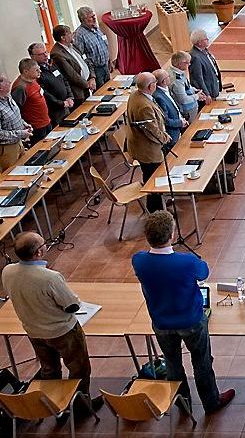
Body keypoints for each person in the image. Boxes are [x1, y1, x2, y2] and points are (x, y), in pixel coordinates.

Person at [132, 211, 235, 413]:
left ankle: (182, 402)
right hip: (191, 321)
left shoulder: (139, 261)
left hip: (161, 322)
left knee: (172, 364)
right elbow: (203, 271)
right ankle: (211, 402)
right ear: (171, 235)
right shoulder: (186, 262)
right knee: (202, 362)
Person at [1, 232, 101, 416]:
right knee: (79, 368)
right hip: (62, 332)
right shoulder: (50, 277)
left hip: (34, 331)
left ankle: (51, 406)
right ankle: (80, 406)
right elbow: (71, 305)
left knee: (49, 369)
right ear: (38, 252)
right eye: (43, 244)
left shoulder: (7, 271)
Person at [125, 72, 169, 212]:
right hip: (148, 151)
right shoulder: (144, 106)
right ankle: (156, 211)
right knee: (153, 180)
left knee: (150, 177)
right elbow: (152, 131)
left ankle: (157, 205)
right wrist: (165, 138)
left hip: (139, 146)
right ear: (151, 86)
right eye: (155, 83)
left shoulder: (135, 95)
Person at [30, 42, 76, 123]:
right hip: (55, 111)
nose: (45, 55)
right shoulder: (36, 73)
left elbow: (64, 80)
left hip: (67, 105)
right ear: (33, 57)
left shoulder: (51, 64)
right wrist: (61, 103)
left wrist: (70, 96)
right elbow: (45, 94)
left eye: (45, 52)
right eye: (41, 54)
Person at [49, 24, 94, 103]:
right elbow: (71, 74)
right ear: (63, 38)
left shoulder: (73, 45)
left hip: (89, 84)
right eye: (69, 33)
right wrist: (87, 85)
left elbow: (86, 60)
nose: (72, 34)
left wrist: (92, 78)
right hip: (79, 91)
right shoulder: (57, 53)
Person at [12, 58, 52, 145]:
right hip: (36, 127)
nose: (40, 71)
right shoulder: (20, 87)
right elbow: (16, 109)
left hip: (46, 121)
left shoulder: (33, 79)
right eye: (36, 70)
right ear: (26, 71)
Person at [73, 6, 112, 87]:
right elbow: (81, 57)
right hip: (95, 71)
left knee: (109, 88)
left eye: (94, 16)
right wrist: (92, 76)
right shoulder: (79, 35)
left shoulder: (96, 29)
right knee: (101, 93)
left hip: (105, 66)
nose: (94, 18)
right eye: (91, 17)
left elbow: (104, 46)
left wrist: (109, 61)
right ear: (83, 20)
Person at [0, 73, 32, 172]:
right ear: (0, 87)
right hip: (7, 149)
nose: (10, 82)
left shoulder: (8, 97)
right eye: (6, 81)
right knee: (12, 175)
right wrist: (21, 133)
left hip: (18, 143)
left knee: (25, 170)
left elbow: (15, 116)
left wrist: (24, 124)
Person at [151, 68, 188, 150]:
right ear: (164, 81)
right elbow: (165, 120)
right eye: (168, 76)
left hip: (180, 126)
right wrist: (180, 122)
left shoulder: (166, 89)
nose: (170, 77)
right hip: (173, 135)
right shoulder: (158, 97)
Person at [168, 50, 207, 120]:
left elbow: (186, 86)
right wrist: (197, 96)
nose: (189, 64)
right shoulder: (176, 80)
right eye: (187, 63)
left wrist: (194, 90)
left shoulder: (179, 72)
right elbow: (183, 99)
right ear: (180, 64)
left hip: (192, 106)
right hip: (187, 110)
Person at [189, 29, 223, 99]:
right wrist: (206, 94)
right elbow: (198, 78)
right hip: (208, 93)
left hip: (214, 88)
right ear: (199, 43)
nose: (208, 39)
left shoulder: (205, 50)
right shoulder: (195, 57)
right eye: (205, 39)